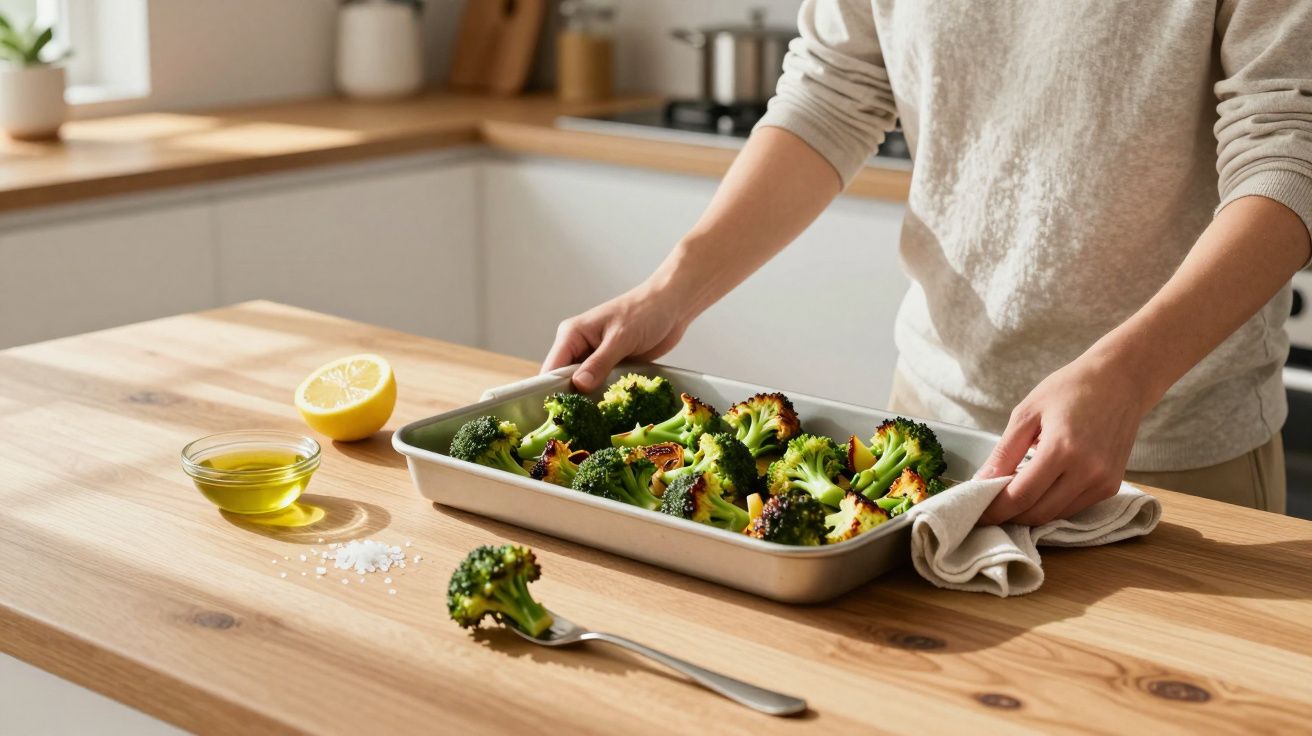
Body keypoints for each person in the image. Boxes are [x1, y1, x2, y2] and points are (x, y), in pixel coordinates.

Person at [542, 1, 1312, 523]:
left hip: (1163, 440)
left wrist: (1130, 377)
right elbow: (834, 89)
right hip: (930, 427)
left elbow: (1290, 145)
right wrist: (669, 289)